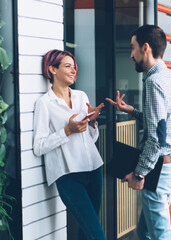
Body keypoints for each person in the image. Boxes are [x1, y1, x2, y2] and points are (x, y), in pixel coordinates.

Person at [106, 25, 171, 240]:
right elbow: (163, 125)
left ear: (146, 47)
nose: (131, 55)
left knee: (160, 234)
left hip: (158, 169)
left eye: (133, 48)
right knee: (146, 231)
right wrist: (132, 111)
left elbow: (155, 137)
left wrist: (140, 173)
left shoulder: (154, 82)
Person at [33, 49, 105, 240]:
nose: (73, 70)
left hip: (93, 169)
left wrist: (92, 123)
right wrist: (67, 131)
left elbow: (91, 138)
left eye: (74, 67)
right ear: (52, 69)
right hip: (68, 175)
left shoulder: (81, 96)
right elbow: (39, 146)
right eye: (67, 66)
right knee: (97, 235)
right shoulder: (45, 103)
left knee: (86, 232)